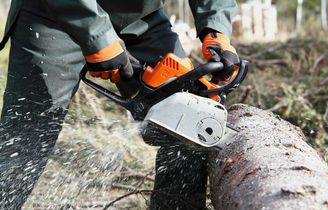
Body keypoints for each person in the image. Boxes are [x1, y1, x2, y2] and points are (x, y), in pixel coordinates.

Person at [0, 1, 239, 209]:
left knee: (190, 120)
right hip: (54, 14)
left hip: (141, 19)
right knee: (26, 135)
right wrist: (98, 36)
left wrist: (216, 27)